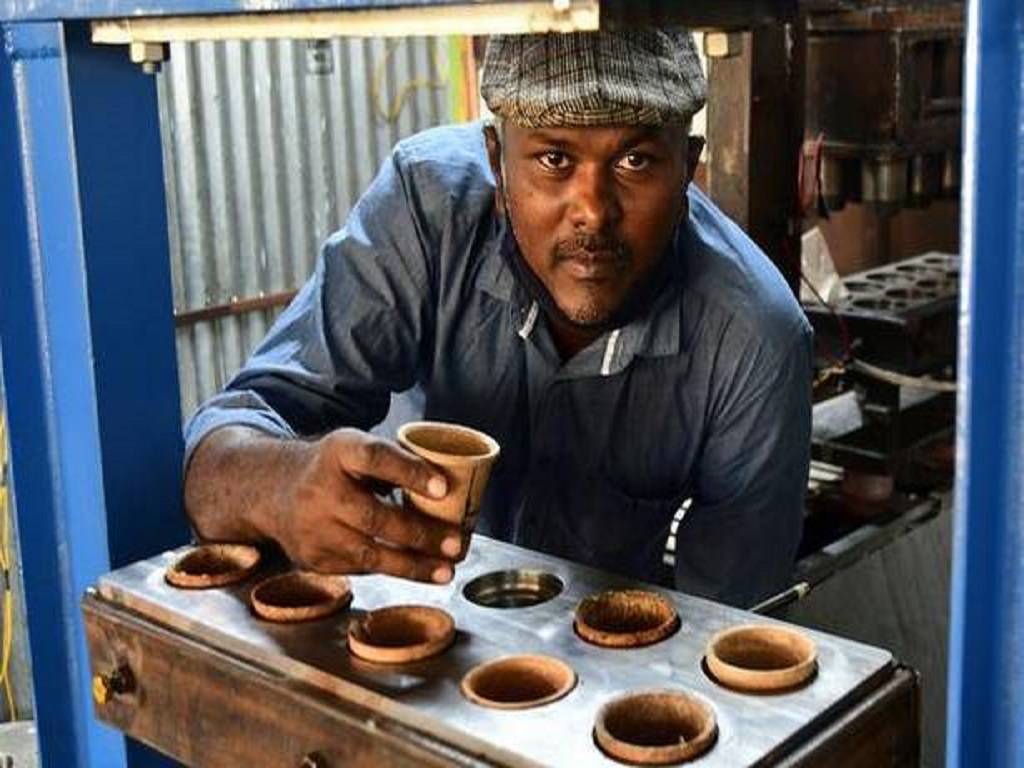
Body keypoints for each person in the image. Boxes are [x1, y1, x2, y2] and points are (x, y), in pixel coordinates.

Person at [183, 29, 812, 608]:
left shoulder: (755, 339)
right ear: (495, 158)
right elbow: (223, 446)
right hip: (411, 640)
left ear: (689, 164)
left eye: (636, 161)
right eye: (553, 160)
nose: (592, 211)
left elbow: (733, 634)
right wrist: (283, 484)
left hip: (601, 677)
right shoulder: (425, 211)